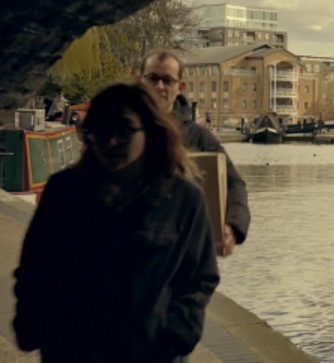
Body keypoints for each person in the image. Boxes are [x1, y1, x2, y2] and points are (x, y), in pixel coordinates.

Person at [13, 83, 219, 361]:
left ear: (150, 130)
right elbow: (36, 267)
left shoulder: (184, 199)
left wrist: (178, 335)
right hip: (71, 351)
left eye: (123, 130)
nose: (110, 142)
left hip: (149, 353)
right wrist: (33, 325)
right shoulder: (64, 191)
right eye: (99, 131)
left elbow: (198, 277)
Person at [138, 50, 250, 256]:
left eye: (167, 80)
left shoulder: (199, 137)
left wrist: (233, 226)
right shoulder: (121, 130)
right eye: (152, 78)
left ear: (181, 87)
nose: (159, 86)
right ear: (139, 80)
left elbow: (235, 183)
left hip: (182, 251)